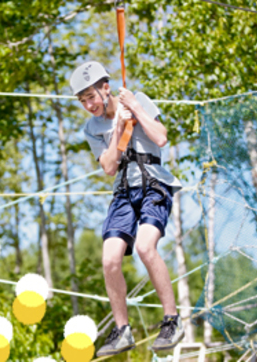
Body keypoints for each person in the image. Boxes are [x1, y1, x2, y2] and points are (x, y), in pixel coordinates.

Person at [69, 61, 185, 357]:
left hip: (153, 186)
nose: (88, 105)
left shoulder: (137, 99)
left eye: (91, 97)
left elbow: (160, 137)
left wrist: (134, 107)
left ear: (105, 88)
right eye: (82, 101)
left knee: (146, 247)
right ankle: (122, 331)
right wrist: (119, 126)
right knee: (109, 260)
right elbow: (109, 167)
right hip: (123, 192)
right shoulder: (92, 128)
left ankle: (172, 320)